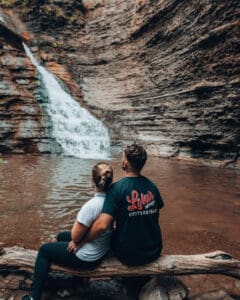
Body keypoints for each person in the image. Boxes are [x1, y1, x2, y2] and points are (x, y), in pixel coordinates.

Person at [22, 162, 113, 300]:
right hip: (101, 248)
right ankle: (77, 282)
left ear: (92, 180)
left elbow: (76, 237)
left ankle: (34, 297)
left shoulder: (91, 206)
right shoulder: (112, 200)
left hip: (89, 257)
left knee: (44, 251)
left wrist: (79, 223)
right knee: (61, 236)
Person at [78, 144, 164, 266]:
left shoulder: (116, 189)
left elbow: (102, 225)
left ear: (125, 164)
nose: (122, 160)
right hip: (154, 251)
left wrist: (82, 241)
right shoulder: (152, 186)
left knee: (101, 235)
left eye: (123, 158)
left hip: (129, 255)